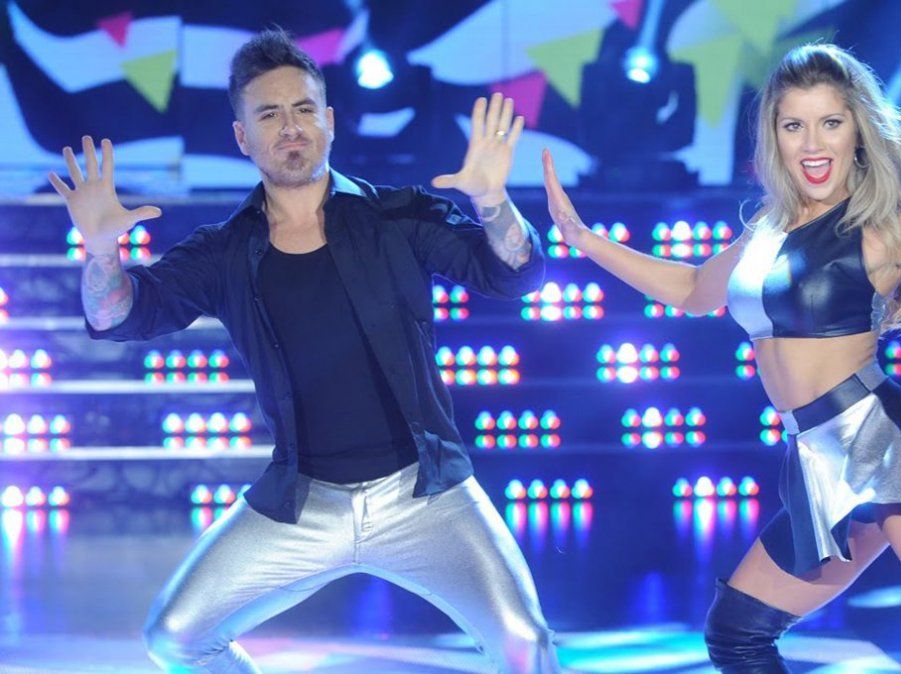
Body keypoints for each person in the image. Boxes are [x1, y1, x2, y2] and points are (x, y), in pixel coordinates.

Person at [542, 44, 901, 673]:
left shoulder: (885, 228)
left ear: (858, 132)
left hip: (888, 450)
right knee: (737, 634)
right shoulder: (768, 228)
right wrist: (585, 241)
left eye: (831, 123)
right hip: (819, 459)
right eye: (795, 125)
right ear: (775, 136)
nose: (813, 144)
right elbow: (692, 289)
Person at [49, 29, 560, 673]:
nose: (290, 127)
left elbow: (515, 274)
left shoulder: (398, 217)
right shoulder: (223, 251)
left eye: (303, 109)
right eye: (269, 114)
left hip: (426, 494)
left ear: (329, 121)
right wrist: (101, 251)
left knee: (526, 646)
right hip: (302, 502)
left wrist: (492, 201)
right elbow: (119, 315)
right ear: (243, 137)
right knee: (174, 637)